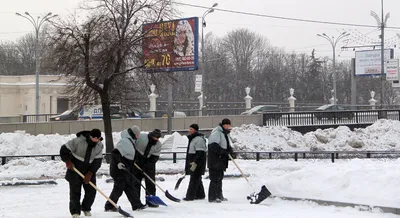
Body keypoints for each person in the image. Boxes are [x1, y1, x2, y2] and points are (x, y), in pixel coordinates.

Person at [60, 129, 104, 218]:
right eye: (94, 138)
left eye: (97, 138)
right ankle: (75, 212)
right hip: (75, 169)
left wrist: (90, 173)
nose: (95, 140)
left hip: (89, 170)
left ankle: (86, 208)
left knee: (91, 191)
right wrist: (68, 161)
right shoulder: (78, 141)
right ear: (90, 136)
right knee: (75, 192)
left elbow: (97, 161)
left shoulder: (99, 146)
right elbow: (63, 149)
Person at [105, 125, 147, 212]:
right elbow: (115, 153)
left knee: (129, 186)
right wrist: (118, 162)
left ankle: (136, 205)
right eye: (137, 135)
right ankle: (109, 206)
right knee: (119, 188)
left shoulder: (130, 141)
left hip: (125, 169)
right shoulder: (125, 141)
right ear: (134, 134)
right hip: (119, 169)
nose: (138, 136)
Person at [132, 129, 162, 207]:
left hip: (149, 164)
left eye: (158, 138)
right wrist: (135, 160)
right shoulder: (141, 137)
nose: (156, 139)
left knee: (150, 183)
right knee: (136, 183)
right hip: (137, 161)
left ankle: (151, 201)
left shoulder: (158, 144)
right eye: (155, 137)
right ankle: (136, 202)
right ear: (152, 135)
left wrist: (146, 166)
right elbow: (133, 148)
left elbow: (155, 157)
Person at [207, 118, 234, 203]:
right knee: (215, 179)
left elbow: (225, 144)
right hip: (215, 160)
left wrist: (229, 150)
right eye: (226, 124)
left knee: (219, 178)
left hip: (221, 160)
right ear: (222, 125)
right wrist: (223, 151)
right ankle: (212, 197)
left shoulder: (224, 133)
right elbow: (213, 145)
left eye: (229, 125)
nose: (227, 126)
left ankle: (219, 195)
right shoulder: (217, 133)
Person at [183, 124, 207, 201]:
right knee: (197, 178)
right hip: (193, 161)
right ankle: (200, 194)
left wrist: (195, 162)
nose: (189, 131)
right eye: (189, 129)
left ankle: (190, 196)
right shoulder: (193, 139)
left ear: (195, 130)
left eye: (191, 129)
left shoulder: (199, 139)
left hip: (197, 163)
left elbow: (200, 153)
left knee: (194, 178)